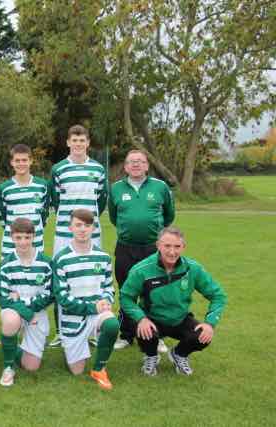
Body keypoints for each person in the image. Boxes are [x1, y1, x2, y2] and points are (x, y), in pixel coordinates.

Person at [120, 226, 227, 377]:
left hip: (179, 319)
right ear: (158, 245)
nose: (172, 252)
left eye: (177, 246)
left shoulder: (193, 269)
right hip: (152, 319)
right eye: (167, 246)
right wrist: (141, 318)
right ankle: (151, 356)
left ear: (183, 247)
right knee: (144, 331)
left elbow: (218, 295)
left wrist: (210, 323)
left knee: (203, 336)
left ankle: (179, 354)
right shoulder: (141, 269)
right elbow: (126, 297)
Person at [108, 149, 175, 350]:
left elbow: (169, 215)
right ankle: (126, 335)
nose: (136, 164)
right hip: (125, 248)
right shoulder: (116, 188)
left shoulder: (160, 186)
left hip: (153, 249)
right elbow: (113, 216)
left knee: (155, 292)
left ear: (147, 165)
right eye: (131, 161)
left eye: (140, 161)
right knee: (126, 291)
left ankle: (157, 335)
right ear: (126, 167)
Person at [49, 125, 107, 347]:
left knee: (90, 279)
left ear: (88, 143)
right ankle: (61, 331)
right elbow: (55, 199)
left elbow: (101, 199)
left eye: (82, 140)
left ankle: (91, 330)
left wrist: (87, 223)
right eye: (74, 140)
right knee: (62, 279)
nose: (78, 144)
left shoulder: (98, 169)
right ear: (68, 143)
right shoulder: (59, 169)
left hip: (91, 234)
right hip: (65, 233)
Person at [53, 209, 120, 390]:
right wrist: (93, 307)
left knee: (112, 324)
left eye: (87, 225)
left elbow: (109, 287)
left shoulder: (103, 257)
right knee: (77, 371)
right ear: (70, 228)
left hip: (97, 313)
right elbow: (62, 298)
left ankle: (99, 369)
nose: (83, 229)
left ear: (93, 228)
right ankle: (70, 346)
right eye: (78, 225)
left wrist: (106, 301)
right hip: (72, 318)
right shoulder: (61, 259)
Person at [0, 218, 53, 387]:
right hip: (15, 311)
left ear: (34, 237)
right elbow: (4, 299)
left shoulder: (46, 263)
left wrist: (22, 300)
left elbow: (49, 295)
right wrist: (26, 313)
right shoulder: (6, 265)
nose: (23, 242)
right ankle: (8, 367)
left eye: (27, 237)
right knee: (10, 319)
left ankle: (12, 345)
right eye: (18, 237)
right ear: (12, 237)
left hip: (37, 312)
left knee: (31, 367)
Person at [0, 144, 50, 259]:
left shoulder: (42, 186)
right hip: (10, 244)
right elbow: (2, 216)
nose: (21, 164)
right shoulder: (4, 188)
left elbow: (44, 213)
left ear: (31, 161)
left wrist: (35, 228)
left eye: (24, 160)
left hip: (36, 242)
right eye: (17, 160)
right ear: (12, 162)